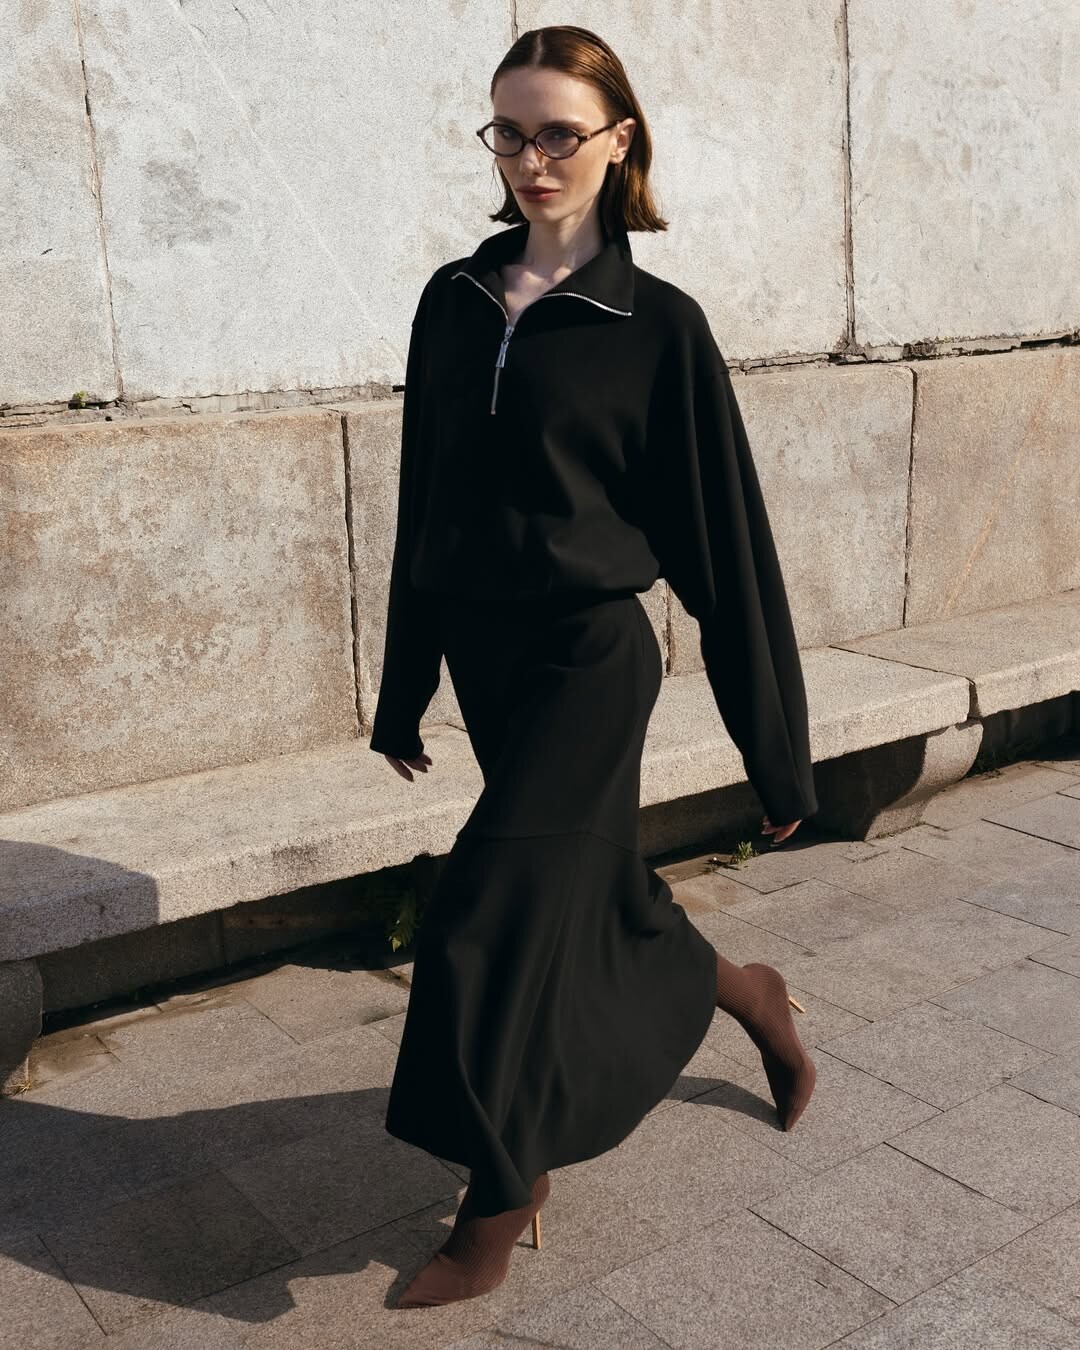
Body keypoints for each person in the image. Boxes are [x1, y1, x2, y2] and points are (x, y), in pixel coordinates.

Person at [368, 24, 819, 1310]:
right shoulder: (452, 301)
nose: (532, 159)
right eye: (509, 132)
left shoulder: (657, 327)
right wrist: (404, 686)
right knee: (589, 888)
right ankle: (749, 992)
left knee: (486, 915)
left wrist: (775, 752)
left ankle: (500, 1195)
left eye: (560, 132)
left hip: (590, 661)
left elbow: (727, 549)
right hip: (487, 662)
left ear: (620, 140)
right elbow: (424, 506)